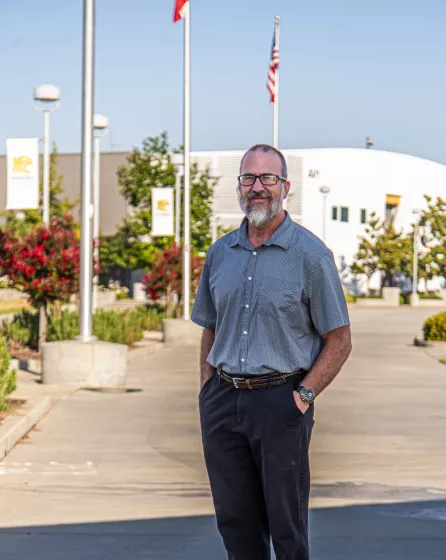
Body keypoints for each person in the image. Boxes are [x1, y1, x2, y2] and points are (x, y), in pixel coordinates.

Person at [191, 144, 352, 560]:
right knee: (235, 524)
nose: (257, 187)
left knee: (286, 528)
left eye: (268, 178)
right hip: (224, 402)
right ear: (239, 187)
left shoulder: (311, 256)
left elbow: (339, 339)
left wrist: (304, 396)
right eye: (249, 178)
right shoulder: (220, 253)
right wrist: (207, 389)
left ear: (286, 187)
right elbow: (209, 325)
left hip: (281, 402)